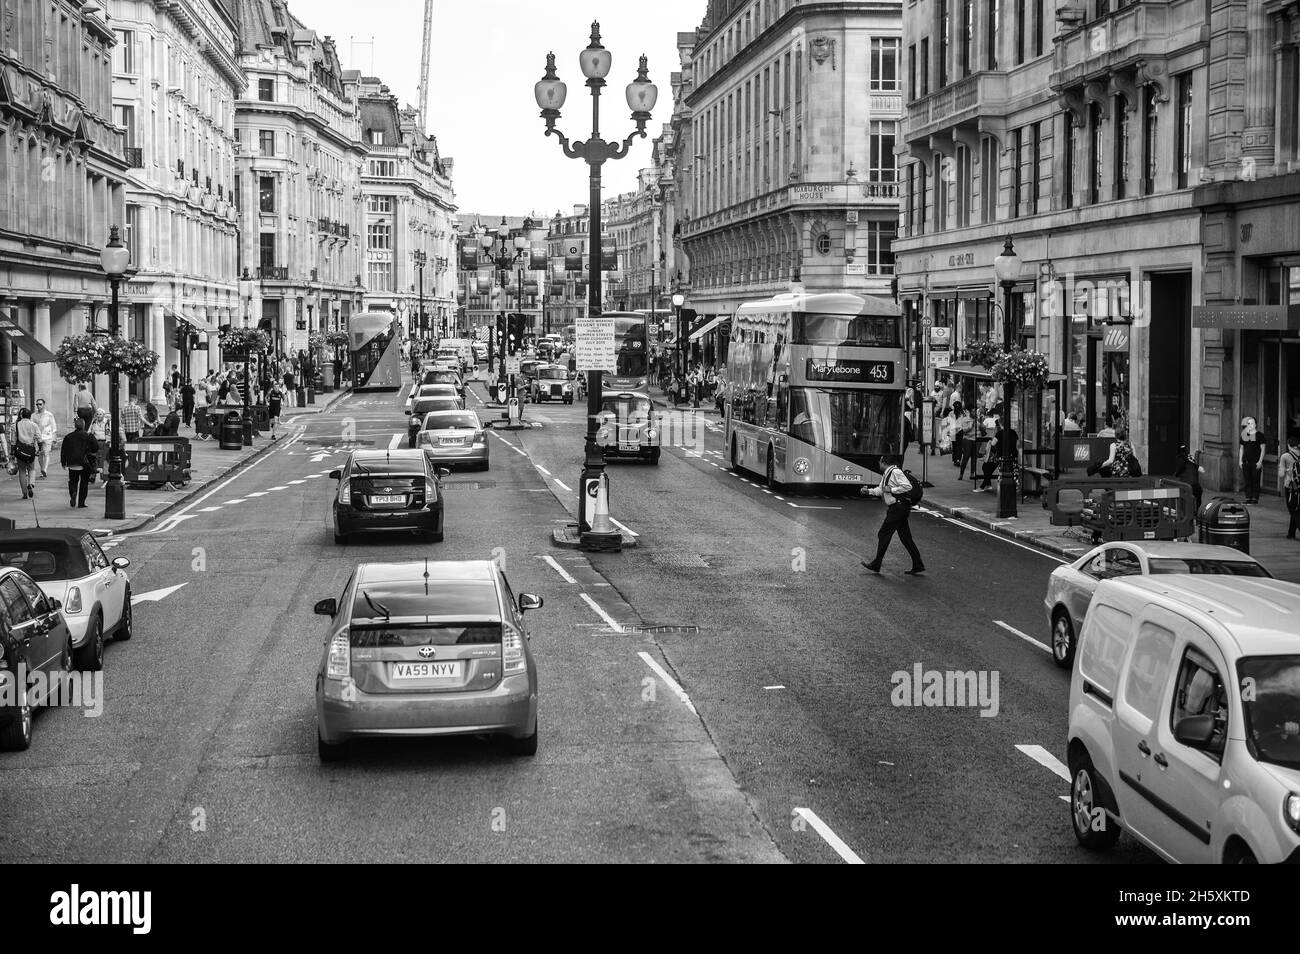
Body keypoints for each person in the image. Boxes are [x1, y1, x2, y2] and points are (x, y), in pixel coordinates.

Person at [861, 454, 925, 575]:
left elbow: (907, 486)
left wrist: (892, 490)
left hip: (898, 508)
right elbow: (881, 490)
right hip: (899, 508)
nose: (878, 464)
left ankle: (876, 564)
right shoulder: (887, 473)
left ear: (884, 462)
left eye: (880, 462)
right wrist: (868, 491)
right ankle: (918, 564)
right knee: (905, 538)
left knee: (884, 533)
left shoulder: (895, 472)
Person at [60, 417, 99, 509]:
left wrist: (63, 462)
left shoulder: (68, 437)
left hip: (72, 463)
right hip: (85, 463)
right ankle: (81, 503)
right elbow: (96, 448)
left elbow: (63, 450)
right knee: (84, 483)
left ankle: (73, 492)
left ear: (75, 426)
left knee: (73, 480)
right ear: (84, 426)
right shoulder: (88, 436)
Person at [979, 415, 1018, 492]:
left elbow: (993, 444)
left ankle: (984, 486)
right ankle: (987, 485)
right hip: (1013, 456)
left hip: (1001, 456)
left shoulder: (1000, 433)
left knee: (986, 467)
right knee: (1011, 472)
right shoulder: (1013, 432)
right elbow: (1017, 444)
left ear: (1000, 424)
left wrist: (990, 442)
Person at [11, 407, 39, 499]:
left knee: (22, 471)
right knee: (32, 469)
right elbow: (39, 438)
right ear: (30, 415)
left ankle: (24, 493)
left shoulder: (16, 425)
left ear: (21, 415)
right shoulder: (34, 425)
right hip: (30, 449)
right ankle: (31, 483)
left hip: (20, 450)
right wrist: (39, 448)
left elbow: (13, 440)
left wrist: (12, 451)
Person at [1174, 444, 1205, 514]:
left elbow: (1180, 468)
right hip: (1195, 484)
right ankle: (1198, 511)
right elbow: (1201, 470)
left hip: (1187, 484)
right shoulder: (1191, 459)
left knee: (1185, 497)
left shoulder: (1180, 459)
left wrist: (1176, 474)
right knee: (1198, 495)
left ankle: (1185, 513)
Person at [1239, 416, 1264, 504]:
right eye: (1248, 423)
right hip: (1246, 461)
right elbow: (1241, 448)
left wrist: (1260, 461)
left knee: (1255, 480)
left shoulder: (1260, 435)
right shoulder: (1244, 435)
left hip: (1256, 462)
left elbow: (1263, 449)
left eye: (1252, 423)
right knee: (1247, 480)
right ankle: (1248, 497)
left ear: (1255, 424)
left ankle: (1254, 498)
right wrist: (1240, 461)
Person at [1280, 433, 1300, 540]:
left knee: (1293, 510)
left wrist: (1286, 470)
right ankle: (1291, 533)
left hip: (1291, 487)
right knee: (1297, 509)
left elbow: (1281, 474)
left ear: (1289, 445)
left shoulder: (1285, 456)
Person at [31, 397, 57, 479]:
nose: (38, 406)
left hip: (47, 437)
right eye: (37, 404)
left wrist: (54, 438)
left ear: (44, 405)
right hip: (38, 438)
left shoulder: (49, 415)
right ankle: (42, 469)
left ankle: (45, 469)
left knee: (46, 453)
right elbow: (31, 426)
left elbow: (54, 427)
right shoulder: (33, 415)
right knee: (40, 455)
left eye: (40, 404)